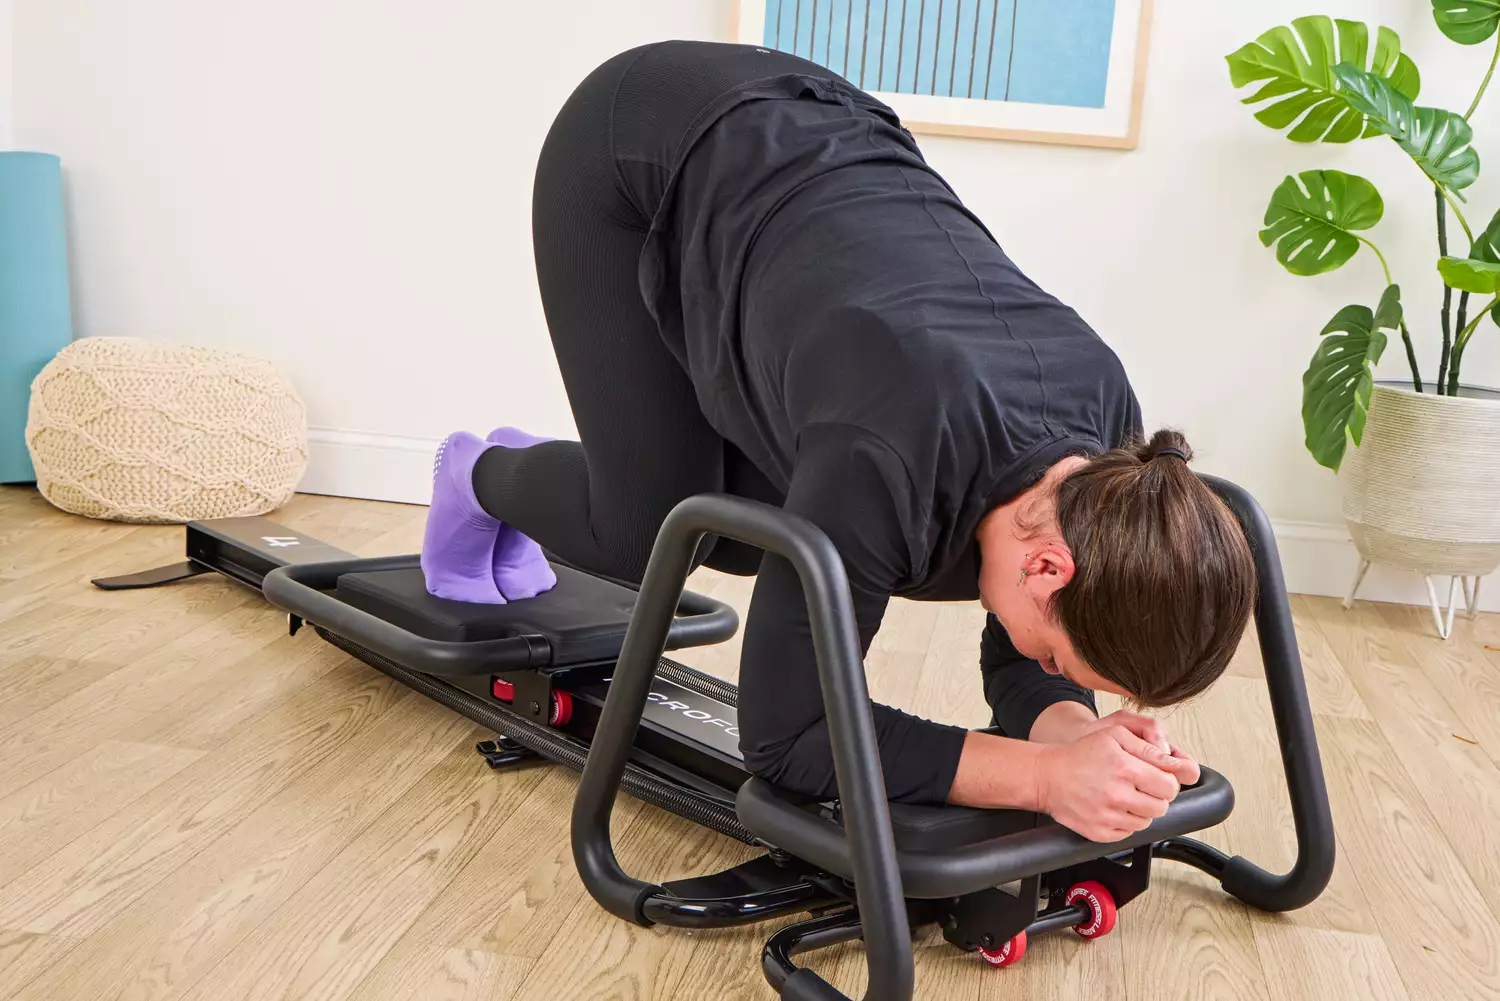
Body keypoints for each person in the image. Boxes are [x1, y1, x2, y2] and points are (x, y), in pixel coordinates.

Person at [422, 40, 1257, 844]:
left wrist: (1075, 737)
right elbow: (787, 738)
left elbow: (1019, 652)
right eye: (1063, 662)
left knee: (748, 537)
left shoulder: (1108, 463)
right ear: (1048, 569)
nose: (1052, 668)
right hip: (642, 141)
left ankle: (600, 464)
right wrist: (1041, 778)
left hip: (812, 155)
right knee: (654, 531)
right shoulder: (888, 456)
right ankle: (476, 473)